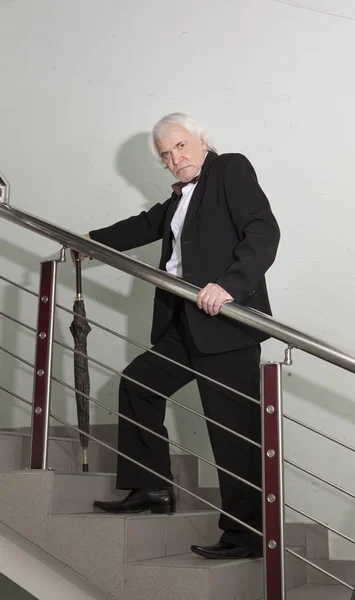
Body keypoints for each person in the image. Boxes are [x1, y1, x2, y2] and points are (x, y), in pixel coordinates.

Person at [76, 113, 280, 559]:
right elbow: (146, 224)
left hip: (224, 324)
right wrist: (89, 241)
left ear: (202, 140)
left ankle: (246, 537)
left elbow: (264, 229)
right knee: (138, 387)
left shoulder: (230, 170)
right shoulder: (180, 197)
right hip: (183, 324)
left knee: (232, 433)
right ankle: (151, 488)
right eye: (166, 155)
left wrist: (230, 284)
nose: (175, 158)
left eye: (181, 146)